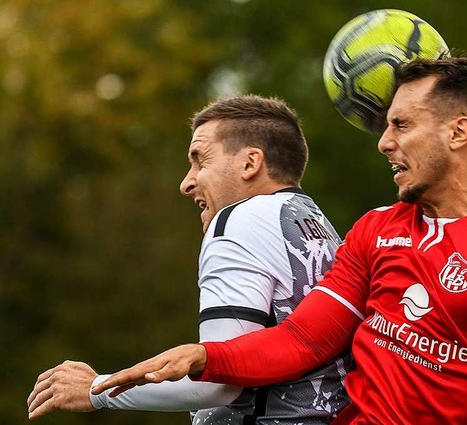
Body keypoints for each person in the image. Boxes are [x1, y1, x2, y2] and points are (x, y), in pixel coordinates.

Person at [92, 52, 467, 424]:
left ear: (459, 132)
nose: (384, 142)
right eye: (386, 125)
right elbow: (303, 340)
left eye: (401, 124)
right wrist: (204, 356)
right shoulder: (377, 229)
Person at [27, 95, 352, 424]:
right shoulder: (314, 221)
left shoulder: (238, 220)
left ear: (250, 163)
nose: (187, 183)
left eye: (201, 161)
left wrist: (96, 391)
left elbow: (218, 385)